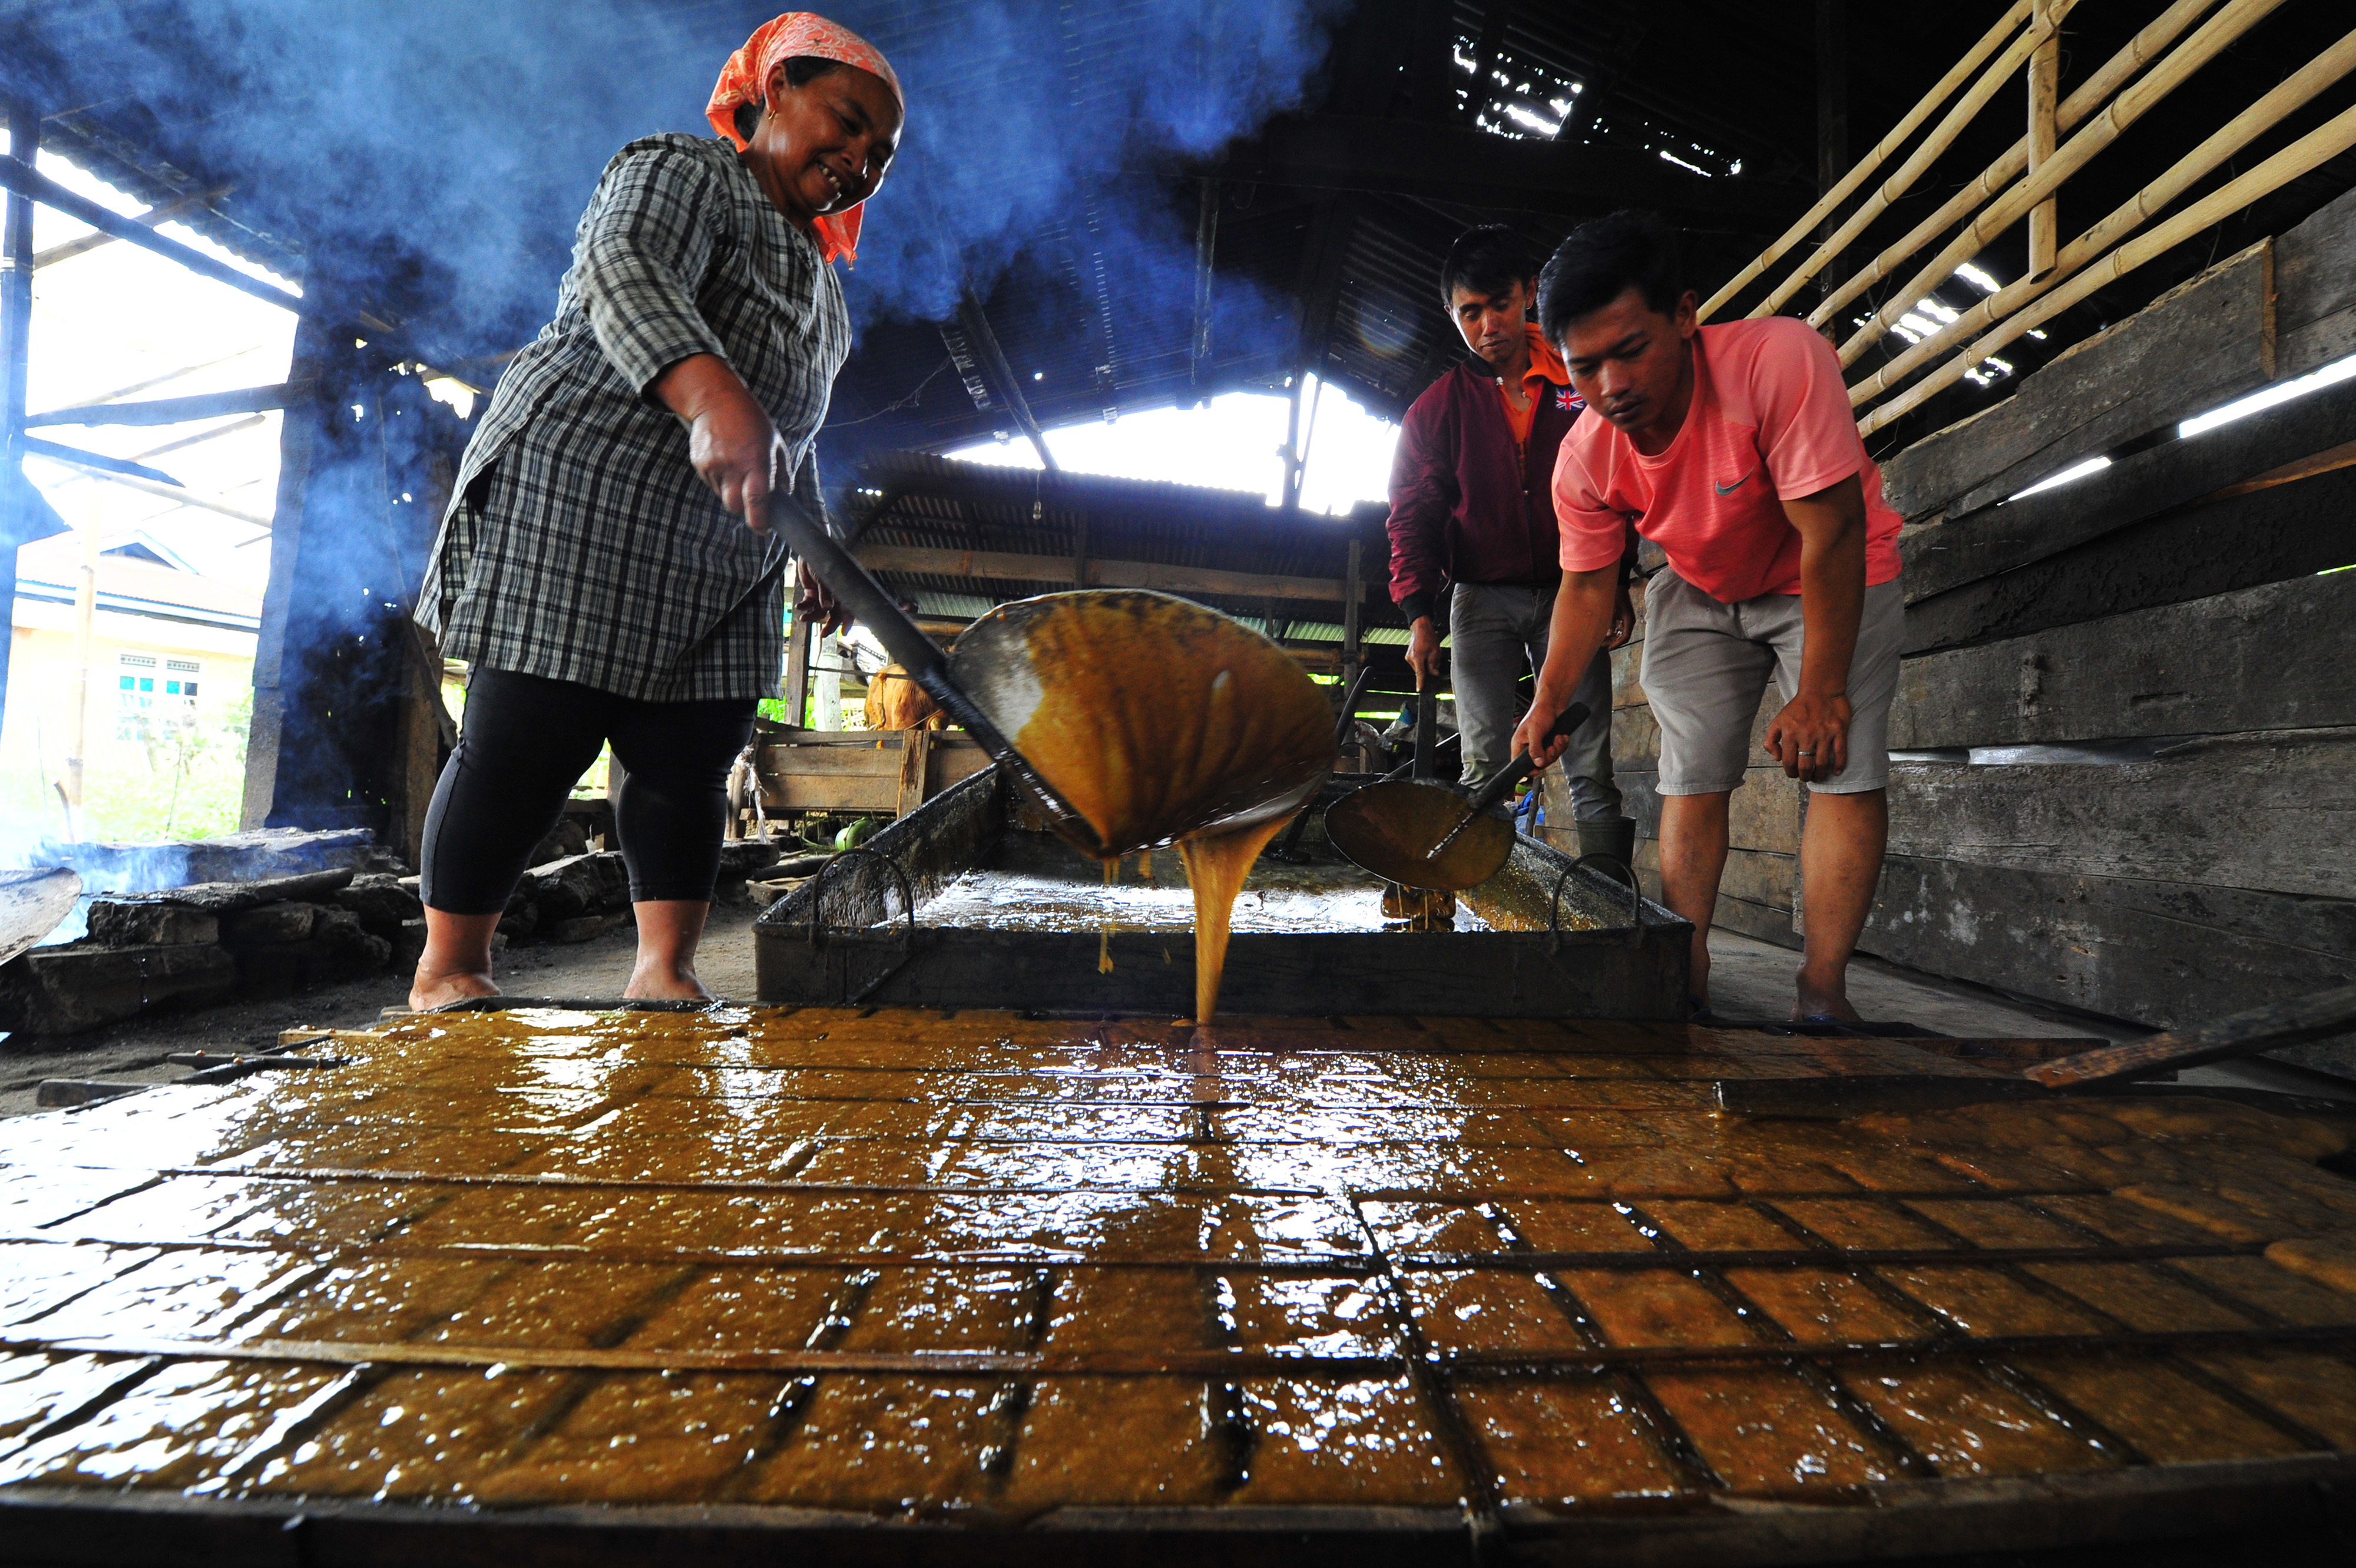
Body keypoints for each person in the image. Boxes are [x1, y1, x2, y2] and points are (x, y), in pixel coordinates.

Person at [406, 12, 903, 1010]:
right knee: (529, 739)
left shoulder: (826, 289)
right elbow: (624, 272)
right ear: (775, 93)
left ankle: (663, 969)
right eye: (845, 124)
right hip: (583, 490)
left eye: (879, 158)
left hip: (720, 550)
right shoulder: (684, 171)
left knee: (689, 757)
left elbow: (790, 428)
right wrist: (710, 395)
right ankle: (451, 967)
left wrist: (817, 545)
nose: (856, 159)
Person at [1513, 211, 1905, 1023]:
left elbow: (1829, 531)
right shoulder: (1585, 454)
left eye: (1631, 350)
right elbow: (1586, 587)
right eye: (1586, 368)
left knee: (1842, 766)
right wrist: (1547, 697)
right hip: (1699, 582)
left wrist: (1824, 690)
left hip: (1824, 569)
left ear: (1686, 315)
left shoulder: (1778, 360)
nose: (1612, 385)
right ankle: (1682, 976)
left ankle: (1822, 992)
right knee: (1690, 776)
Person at [1385, 224, 1635, 871]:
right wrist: (1417, 612)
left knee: (1587, 753)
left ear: (1528, 294)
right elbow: (1413, 512)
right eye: (1470, 312)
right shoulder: (1436, 410)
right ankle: (1486, 900)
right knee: (1483, 759)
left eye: (1499, 303)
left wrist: (1620, 580)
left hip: (1573, 590)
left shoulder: (1576, 376)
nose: (1488, 323)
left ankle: (1610, 903)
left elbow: (1623, 472)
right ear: (1452, 316)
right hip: (1479, 597)